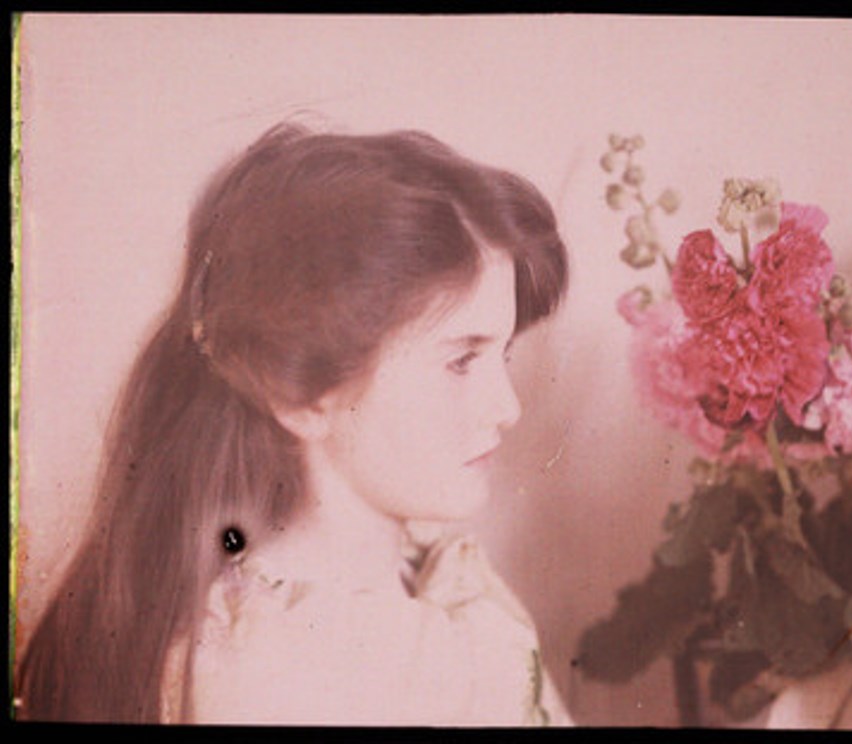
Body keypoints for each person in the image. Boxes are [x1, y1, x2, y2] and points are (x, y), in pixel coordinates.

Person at [15, 122, 571, 725]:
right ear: (300, 395)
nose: (508, 407)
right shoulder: (265, 675)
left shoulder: (447, 588)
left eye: (503, 354)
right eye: (461, 360)